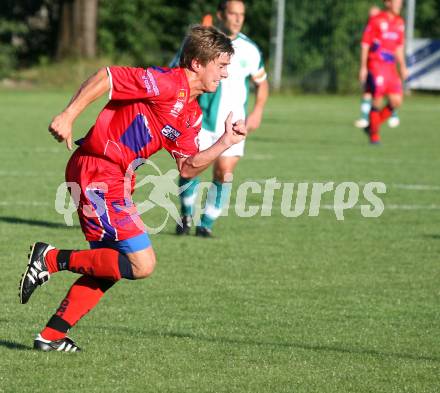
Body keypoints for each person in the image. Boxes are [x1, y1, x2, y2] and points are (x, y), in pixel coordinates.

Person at [18, 25, 245, 352]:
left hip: (115, 179)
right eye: (221, 65)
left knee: (109, 262)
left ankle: (50, 336)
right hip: (97, 170)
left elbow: (187, 166)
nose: (225, 74)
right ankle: (50, 259)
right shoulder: (166, 82)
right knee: (142, 263)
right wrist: (68, 114)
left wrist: (225, 142)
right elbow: (107, 77)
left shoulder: (191, 114)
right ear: (197, 63)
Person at [175, 0, 269, 237]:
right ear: (220, 14)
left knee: (224, 172)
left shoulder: (249, 49)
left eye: (242, 15)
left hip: (234, 123)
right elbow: (176, 73)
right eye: (233, 14)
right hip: (200, 119)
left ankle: (206, 224)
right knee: (191, 169)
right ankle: (186, 214)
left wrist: (257, 111)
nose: (237, 19)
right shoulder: (200, 45)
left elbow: (262, 83)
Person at [359, 0, 408, 144]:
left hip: (390, 66)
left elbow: (398, 47)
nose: (400, 4)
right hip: (376, 64)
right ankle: (374, 136)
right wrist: (363, 67)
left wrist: (403, 66)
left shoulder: (399, 22)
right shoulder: (376, 20)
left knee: (397, 101)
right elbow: (365, 44)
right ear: (387, 3)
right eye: (397, 1)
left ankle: (372, 126)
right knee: (377, 99)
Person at [354, 5, 400, 129]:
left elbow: (393, 47)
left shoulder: (386, 29)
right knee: (369, 92)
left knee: (385, 94)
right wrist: (363, 67)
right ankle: (365, 119)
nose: (373, 17)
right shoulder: (371, 30)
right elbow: (365, 46)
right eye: (371, 16)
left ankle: (391, 116)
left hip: (383, 68)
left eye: (374, 15)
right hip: (372, 67)